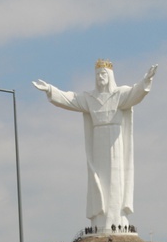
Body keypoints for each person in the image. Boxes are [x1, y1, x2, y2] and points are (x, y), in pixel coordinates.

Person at [33, 60, 157, 233]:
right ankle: (100, 220)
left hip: (115, 142)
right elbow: (70, 99)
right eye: (97, 75)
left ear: (110, 76)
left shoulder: (119, 94)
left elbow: (135, 93)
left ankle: (117, 219)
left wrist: (146, 80)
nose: (100, 77)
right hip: (98, 143)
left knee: (116, 181)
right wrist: (50, 90)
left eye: (103, 74)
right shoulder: (89, 98)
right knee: (98, 180)